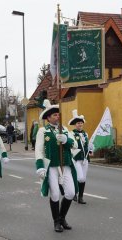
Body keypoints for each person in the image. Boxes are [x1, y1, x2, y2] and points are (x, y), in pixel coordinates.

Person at [35, 99, 78, 233]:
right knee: (55, 194)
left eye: (58, 115)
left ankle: (62, 217)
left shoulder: (64, 129)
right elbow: (39, 150)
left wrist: (66, 140)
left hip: (65, 165)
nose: (57, 117)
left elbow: (75, 145)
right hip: (51, 167)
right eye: (54, 115)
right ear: (48, 118)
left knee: (70, 192)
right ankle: (56, 221)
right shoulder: (43, 131)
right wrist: (40, 166)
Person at [68, 109, 93, 204]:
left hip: (85, 158)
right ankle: (74, 192)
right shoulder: (72, 134)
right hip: (76, 159)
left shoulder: (85, 134)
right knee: (80, 178)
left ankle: (80, 197)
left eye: (81, 123)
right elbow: (70, 145)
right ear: (75, 124)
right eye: (78, 123)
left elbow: (88, 144)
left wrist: (90, 150)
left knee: (84, 179)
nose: (80, 125)